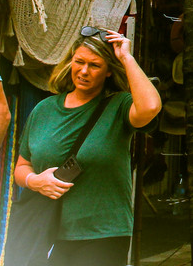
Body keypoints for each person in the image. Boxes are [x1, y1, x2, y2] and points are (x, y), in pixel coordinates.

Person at [13, 29, 160, 266]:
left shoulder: (119, 106)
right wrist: (36, 181)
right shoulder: (43, 110)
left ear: (109, 71)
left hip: (103, 234)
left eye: (94, 65)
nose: (83, 71)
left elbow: (150, 107)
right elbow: (22, 166)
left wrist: (126, 57)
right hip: (46, 234)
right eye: (79, 62)